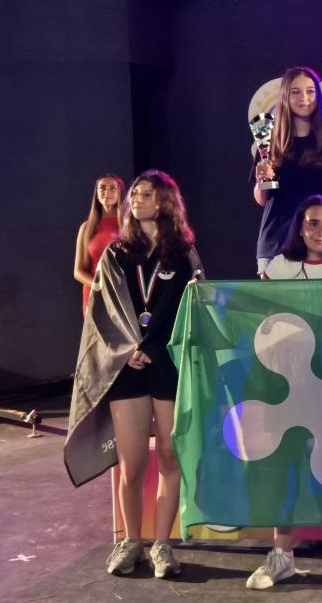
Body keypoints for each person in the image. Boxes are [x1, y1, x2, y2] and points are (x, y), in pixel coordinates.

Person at [64, 170, 204, 579]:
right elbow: (102, 311)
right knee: (131, 463)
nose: (136, 200)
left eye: (146, 194)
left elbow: (193, 311)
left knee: (170, 456)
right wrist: (127, 352)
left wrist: (155, 348)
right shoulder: (117, 253)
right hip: (127, 368)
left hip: (168, 364)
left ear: (165, 202)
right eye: (135, 194)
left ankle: (162, 544)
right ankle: (131, 541)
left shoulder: (184, 255)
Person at [247, 194, 322, 589]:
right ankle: (282, 555)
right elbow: (263, 319)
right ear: (300, 227)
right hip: (287, 382)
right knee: (284, 465)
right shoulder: (281, 265)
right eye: (313, 223)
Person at [252, 66, 322, 276]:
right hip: (276, 243)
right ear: (285, 97)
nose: (304, 98)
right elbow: (263, 200)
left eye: (310, 91)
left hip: (320, 244)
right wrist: (262, 180)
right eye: (296, 92)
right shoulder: (270, 142)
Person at [73, 174, 124, 314]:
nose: (107, 192)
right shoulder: (86, 227)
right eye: (102, 188)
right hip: (94, 295)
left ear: (120, 193)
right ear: (96, 193)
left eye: (113, 188)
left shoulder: (129, 225)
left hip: (122, 293)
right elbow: (78, 272)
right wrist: (99, 286)